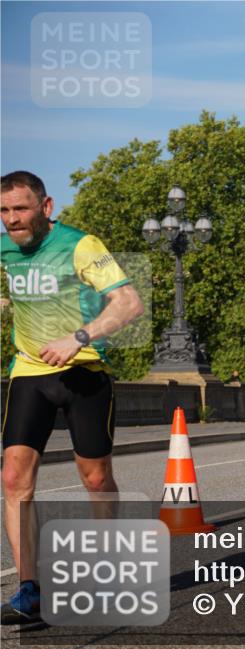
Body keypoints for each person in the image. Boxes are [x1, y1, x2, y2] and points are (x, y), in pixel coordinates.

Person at [0, 171, 145, 623]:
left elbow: (128, 302)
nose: (11, 220)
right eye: (3, 212)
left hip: (84, 374)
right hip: (29, 372)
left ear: (46, 207)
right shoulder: (4, 249)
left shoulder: (82, 245)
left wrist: (78, 335)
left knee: (96, 479)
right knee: (12, 478)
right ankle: (29, 589)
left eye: (20, 209)